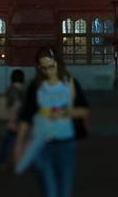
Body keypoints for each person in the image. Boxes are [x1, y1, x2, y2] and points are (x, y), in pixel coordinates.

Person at [13, 46, 86, 197]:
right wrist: (18, 146)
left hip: (66, 144)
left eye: (51, 66)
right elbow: (26, 117)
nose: (48, 71)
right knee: (51, 192)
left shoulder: (69, 82)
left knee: (64, 192)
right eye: (44, 68)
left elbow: (83, 109)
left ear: (58, 63)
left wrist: (65, 112)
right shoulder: (36, 87)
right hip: (43, 144)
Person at [0, 69, 27, 169]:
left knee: (10, 142)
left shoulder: (10, 89)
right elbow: (15, 105)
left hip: (12, 119)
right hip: (16, 119)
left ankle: (2, 162)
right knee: (18, 141)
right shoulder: (19, 90)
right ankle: (13, 162)